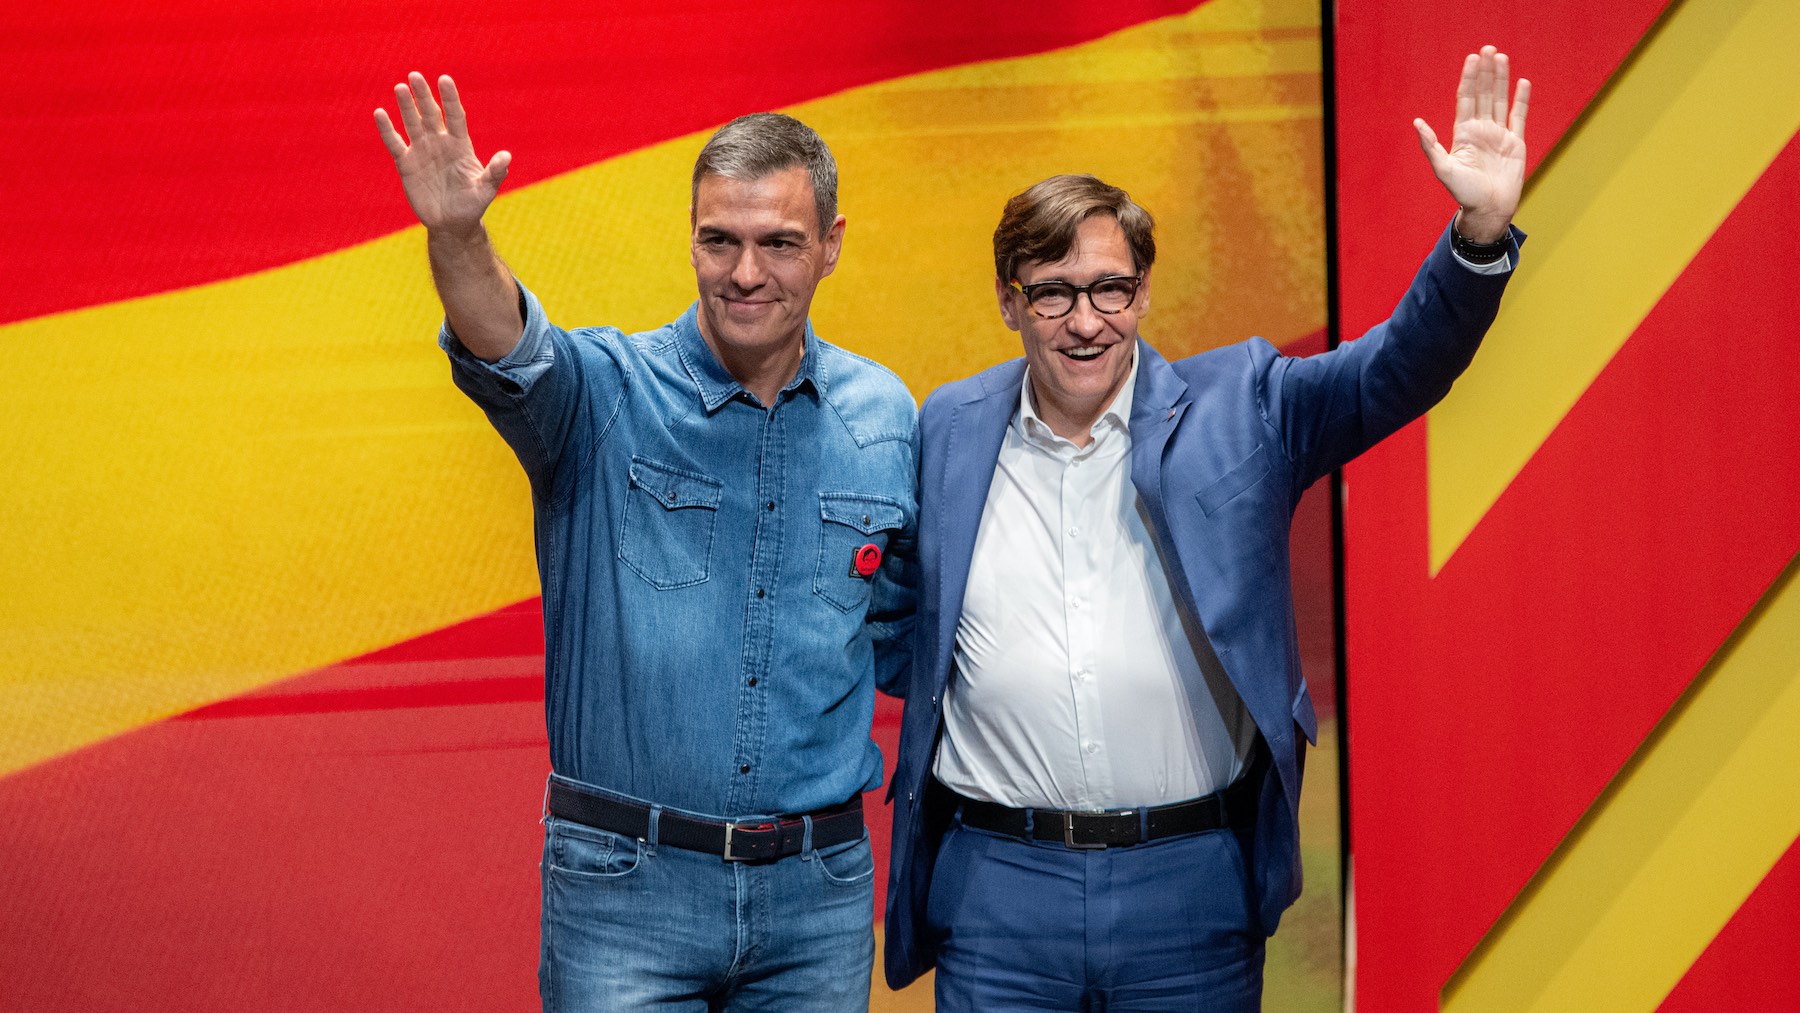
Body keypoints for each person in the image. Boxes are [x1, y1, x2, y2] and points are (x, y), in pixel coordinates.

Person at [882, 46, 1529, 1009]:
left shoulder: (1245, 405)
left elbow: (1397, 368)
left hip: (1188, 884)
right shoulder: (945, 427)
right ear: (1009, 301)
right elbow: (895, 607)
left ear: (1143, 292)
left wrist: (1479, 233)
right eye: (1052, 291)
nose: (1084, 320)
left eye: (1108, 287)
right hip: (996, 888)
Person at [374, 74, 916, 1011]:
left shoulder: (886, 418)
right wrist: (458, 234)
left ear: (830, 246)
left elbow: (912, 631)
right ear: (693, 239)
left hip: (816, 900)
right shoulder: (602, 394)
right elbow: (507, 343)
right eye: (721, 240)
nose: (747, 273)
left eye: (779, 243)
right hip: (626, 890)